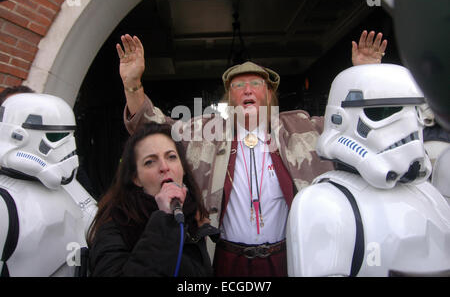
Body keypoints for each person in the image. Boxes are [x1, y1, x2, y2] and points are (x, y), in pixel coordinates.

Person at [117, 30, 387, 276]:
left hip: (289, 258)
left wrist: (365, 77)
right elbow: (150, 128)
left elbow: (352, 126)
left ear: (270, 94)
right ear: (229, 97)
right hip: (225, 260)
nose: (247, 89)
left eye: (256, 84)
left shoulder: (301, 126)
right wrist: (133, 85)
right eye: (237, 85)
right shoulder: (204, 133)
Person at [286, 63, 450, 276]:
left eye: (417, 112)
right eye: (385, 112)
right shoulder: (325, 205)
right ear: (339, 118)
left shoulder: (430, 195)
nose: (410, 127)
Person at [87, 122, 219, 277]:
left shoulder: (193, 214)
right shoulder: (116, 224)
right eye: (150, 162)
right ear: (136, 178)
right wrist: (164, 220)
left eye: (171, 157)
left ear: (182, 168)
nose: (164, 167)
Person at [0, 93, 96, 276]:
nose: (69, 148)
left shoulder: (67, 188)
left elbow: (99, 228)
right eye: (56, 136)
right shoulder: (4, 203)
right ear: (18, 136)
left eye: (71, 136)